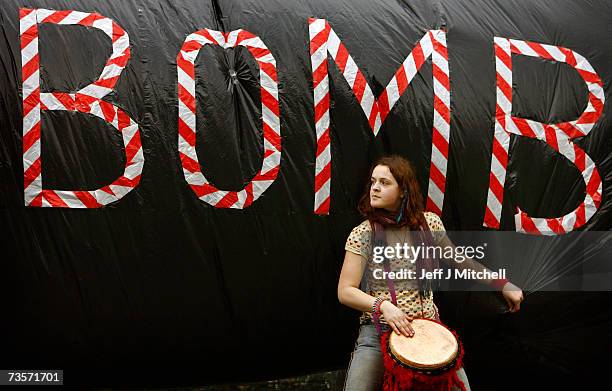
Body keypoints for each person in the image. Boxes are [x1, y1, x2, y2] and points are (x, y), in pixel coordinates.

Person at [338, 155, 524, 391]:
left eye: (385, 183)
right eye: (373, 182)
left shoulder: (429, 224)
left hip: (428, 329)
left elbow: (461, 263)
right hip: (379, 333)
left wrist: (502, 283)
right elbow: (346, 291)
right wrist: (383, 306)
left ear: (403, 190)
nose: (375, 188)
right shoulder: (363, 233)